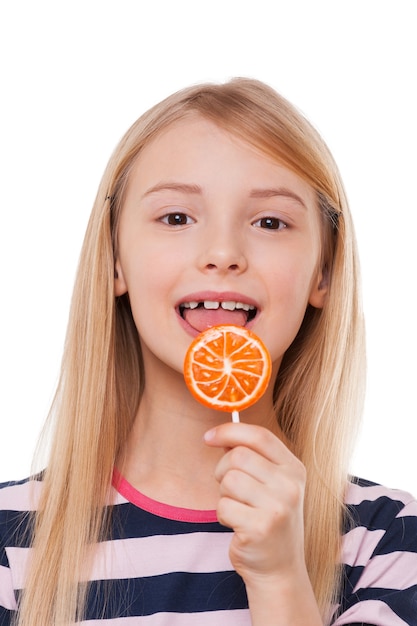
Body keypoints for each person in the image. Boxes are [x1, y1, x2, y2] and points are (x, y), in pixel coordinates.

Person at [0, 79, 416, 626]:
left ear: (324, 274)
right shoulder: (13, 541)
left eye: (270, 222)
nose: (222, 253)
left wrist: (280, 579)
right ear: (115, 261)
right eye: (176, 218)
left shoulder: (386, 541)